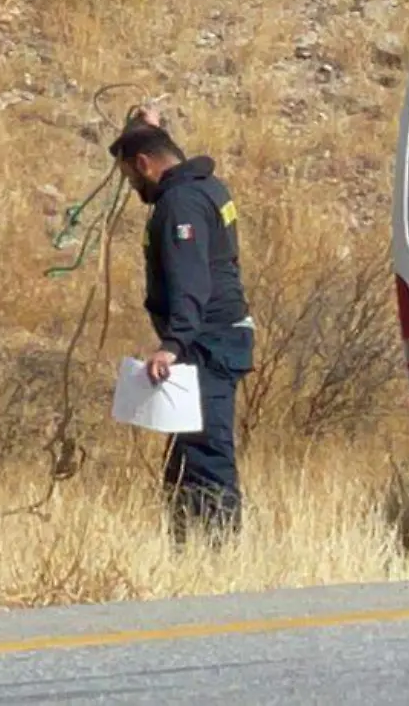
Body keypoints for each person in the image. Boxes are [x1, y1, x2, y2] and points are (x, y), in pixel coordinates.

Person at [110, 108, 256, 547]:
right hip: (211, 339)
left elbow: (191, 280)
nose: (132, 187)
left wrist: (172, 344)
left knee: (207, 453)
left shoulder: (181, 205)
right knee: (184, 459)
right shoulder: (203, 186)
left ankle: (218, 557)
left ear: (143, 164)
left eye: (130, 176)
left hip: (207, 343)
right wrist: (146, 127)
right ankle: (185, 553)